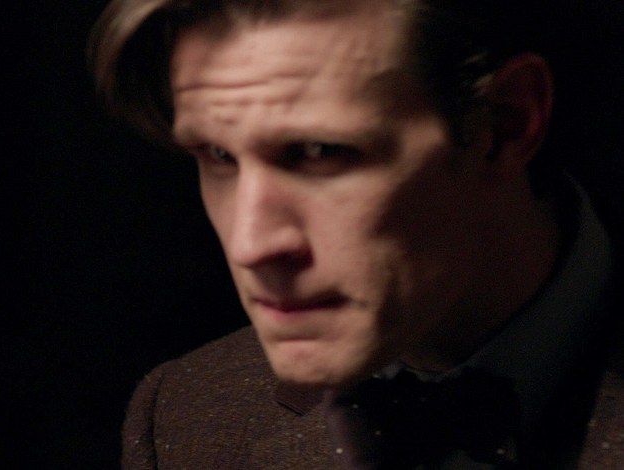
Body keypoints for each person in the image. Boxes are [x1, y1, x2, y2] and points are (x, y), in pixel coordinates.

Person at [89, 0, 622, 468]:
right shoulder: (185, 413)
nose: (251, 245)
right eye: (219, 156)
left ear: (505, 124)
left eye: (320, 152)